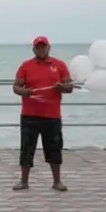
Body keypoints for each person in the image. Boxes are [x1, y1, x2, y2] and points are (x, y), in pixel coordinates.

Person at [12, 36, 73, 191]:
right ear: (33, 49)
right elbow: (16, 87)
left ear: (49, 47)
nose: (41, 49)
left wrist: (62, 87)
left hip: (52, 116)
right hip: (29, 115)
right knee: (26, 148)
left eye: (43, 46)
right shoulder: (26, 66)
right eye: (38, 47)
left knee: (54, 148)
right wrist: (25, 92)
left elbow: (70, 86)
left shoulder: (59, 65)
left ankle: (57, 181)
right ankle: (24, 181)